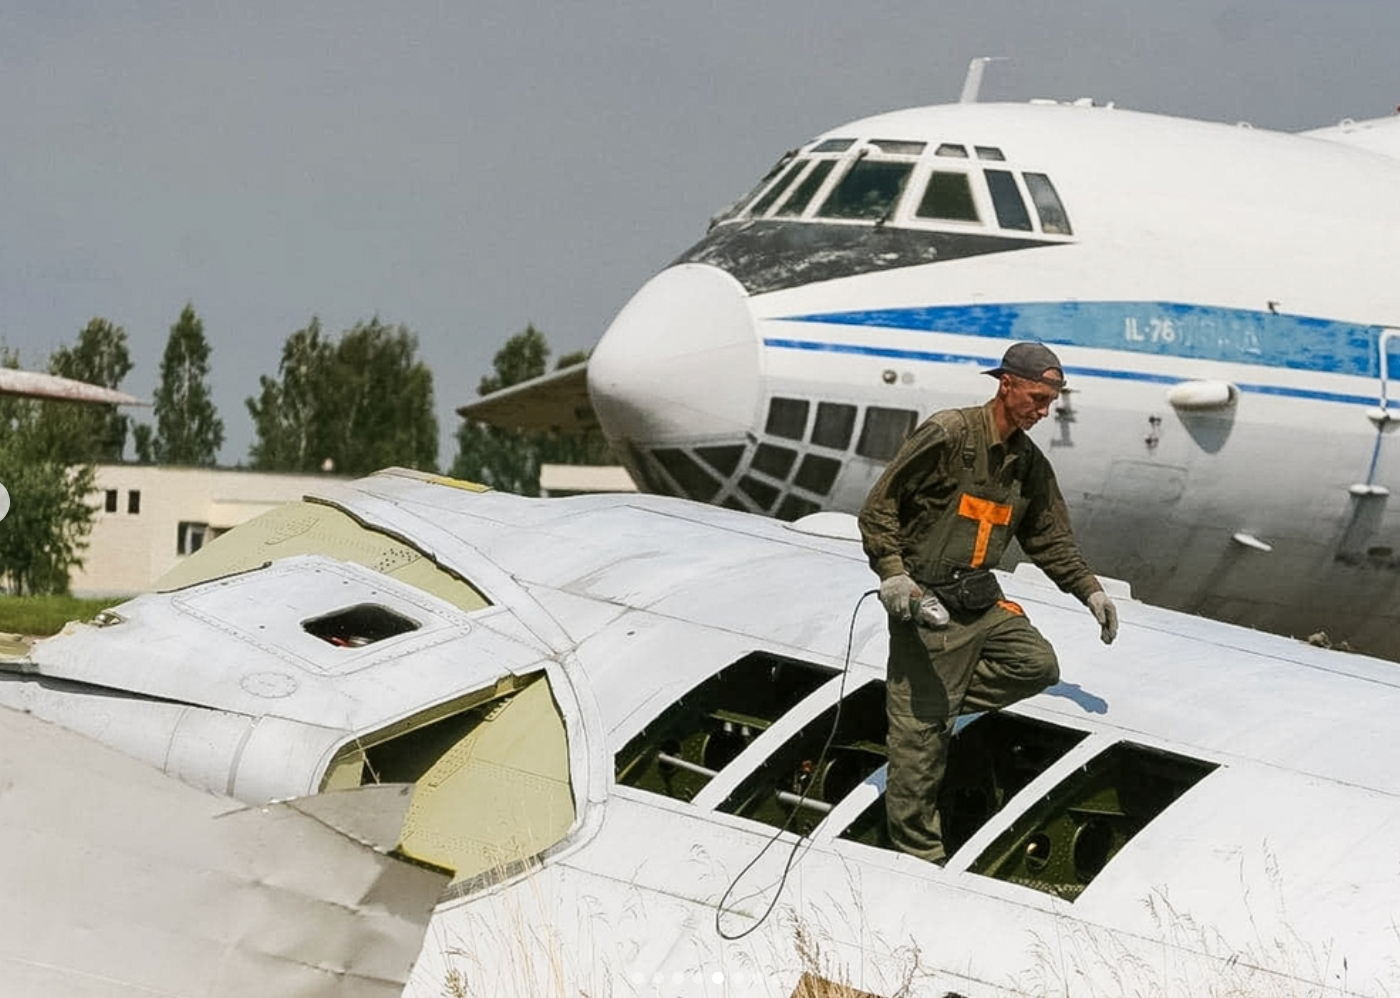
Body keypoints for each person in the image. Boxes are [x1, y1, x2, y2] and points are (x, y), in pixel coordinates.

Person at [857, 340, 1117, 864]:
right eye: (1038, 398)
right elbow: (878, 509)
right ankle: (919, 860)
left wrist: (1088, 588)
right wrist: (894, 577)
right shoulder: (950, 433)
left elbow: (1049, 539)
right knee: (918, 755)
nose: (1044, 412)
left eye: (1051, 402)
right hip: (925, 605)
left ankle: (923, 706)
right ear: (1007, 384)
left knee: (1036, 664)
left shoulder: (1028, 464)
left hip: (977, 602)